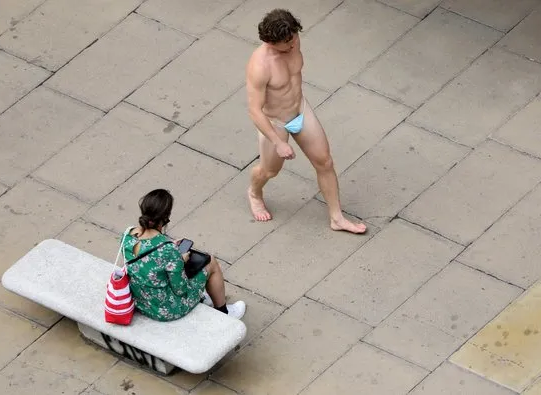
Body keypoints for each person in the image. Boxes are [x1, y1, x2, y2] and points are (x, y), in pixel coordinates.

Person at [246, 9, 366, 234]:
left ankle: (336, 217)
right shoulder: (260, 66)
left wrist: (292, 43)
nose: (292, 46)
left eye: (294, 39)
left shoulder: (293, 39)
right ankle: (254, 192)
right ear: (270, 42)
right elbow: (254, 110)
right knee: (269, 171)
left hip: (299, 108)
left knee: (325, 162)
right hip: (275, 121)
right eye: (286, 44)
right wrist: (278, 142)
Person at [121, 189, 245, 321]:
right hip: (166, 309)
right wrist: (180, 260)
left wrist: (171, 249)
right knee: (211, 262)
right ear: (165, 217)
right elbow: (180, 289)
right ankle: (224, 312)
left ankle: (206, 296)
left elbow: (146, 260)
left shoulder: (127, 234)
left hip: (141, 301)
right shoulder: (168, 249)